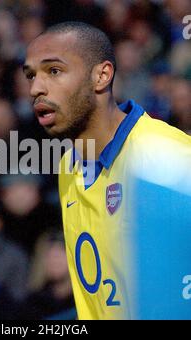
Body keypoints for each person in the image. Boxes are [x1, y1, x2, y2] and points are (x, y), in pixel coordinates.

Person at [23, 21, 191, 320]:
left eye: (54, 71)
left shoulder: (169, 159)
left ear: (101, 76)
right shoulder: (68, 166)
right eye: (31, 75)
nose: (36, 88)